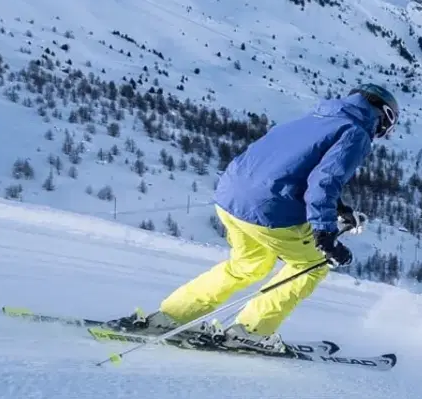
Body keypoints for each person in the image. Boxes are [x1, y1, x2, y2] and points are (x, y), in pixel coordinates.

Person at [106, 84, 400, 353]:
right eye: (388, 127)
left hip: (231, 197)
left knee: (247, 265)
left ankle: (170, 317)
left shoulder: (315, 118)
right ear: (384, 116)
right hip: (269, 208)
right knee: (310, 264)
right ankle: (251, 331)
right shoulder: (356, 132)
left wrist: (338, 208)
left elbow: (290, 165)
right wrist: (324, 233)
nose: (384, 133)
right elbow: (324, 181)